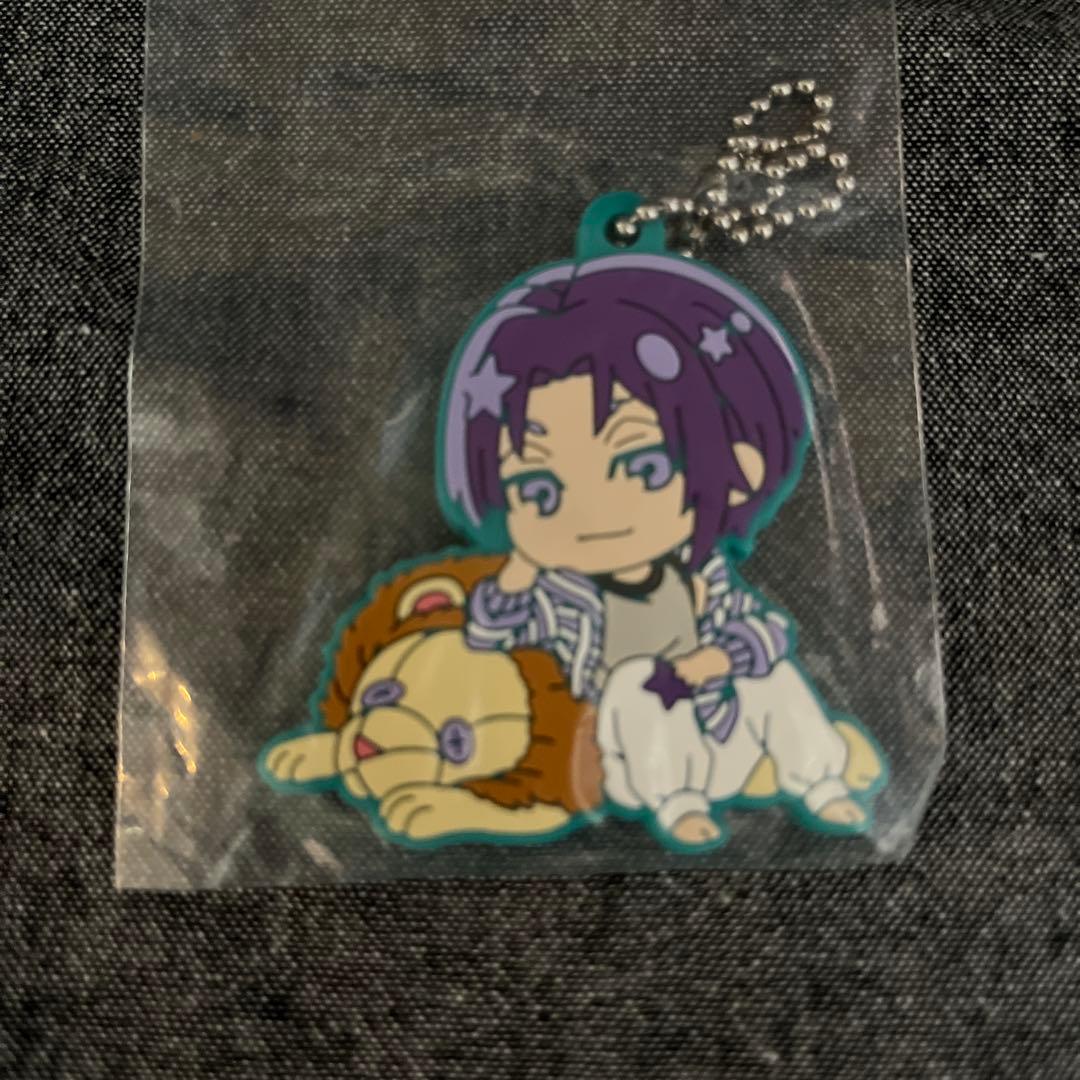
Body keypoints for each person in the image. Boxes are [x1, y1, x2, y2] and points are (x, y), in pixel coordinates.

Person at [439, 254, 866, 847]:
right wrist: (517, 573)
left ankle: (821, 783)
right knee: (639, 679)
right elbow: (488, 636)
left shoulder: (704, 577)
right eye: (540, 490)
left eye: (644, 467)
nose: (600, 509)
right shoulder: (562, 597)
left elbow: (767, 630)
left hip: (719, 732)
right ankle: (678, 807)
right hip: (630, 757)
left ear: (737, 468)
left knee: (772, 677)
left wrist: (723, 658)